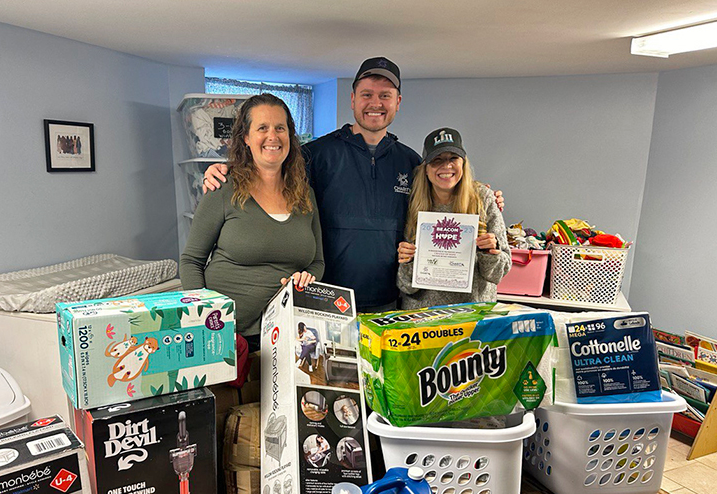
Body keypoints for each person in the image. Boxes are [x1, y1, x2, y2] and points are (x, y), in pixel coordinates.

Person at [203, 58, 505, 313]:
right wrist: (227, 170)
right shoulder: (316, 155)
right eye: (366, 94)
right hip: (325, 299)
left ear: (397, 102)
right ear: (353, 100)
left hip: (391, 303)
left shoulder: (411, 163)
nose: (375, 103)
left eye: (385, 95)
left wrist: (483, 195)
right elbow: (269, 167)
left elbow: (441, 199)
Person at [180, 94, 324, 350]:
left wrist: (307, 278)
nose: (273, 136)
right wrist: (205, 320)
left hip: (285, 334)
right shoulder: (223, 187)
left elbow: (317, 262)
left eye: (280, 128)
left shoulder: (306, 195)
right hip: (226, 335)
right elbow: (191, 261)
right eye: (262, 128)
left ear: (290, 136)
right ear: (246, 138)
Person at [397, 128, 511, 308]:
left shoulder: (484, 199)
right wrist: (408, 261)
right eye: (437, 160)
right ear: (426, 169)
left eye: (453, 158)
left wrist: (490, 252)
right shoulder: (411, 204)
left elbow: (498, 274)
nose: (447, 166)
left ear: (463, 163)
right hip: (421, 318)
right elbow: (404, 285)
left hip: (472, 315)